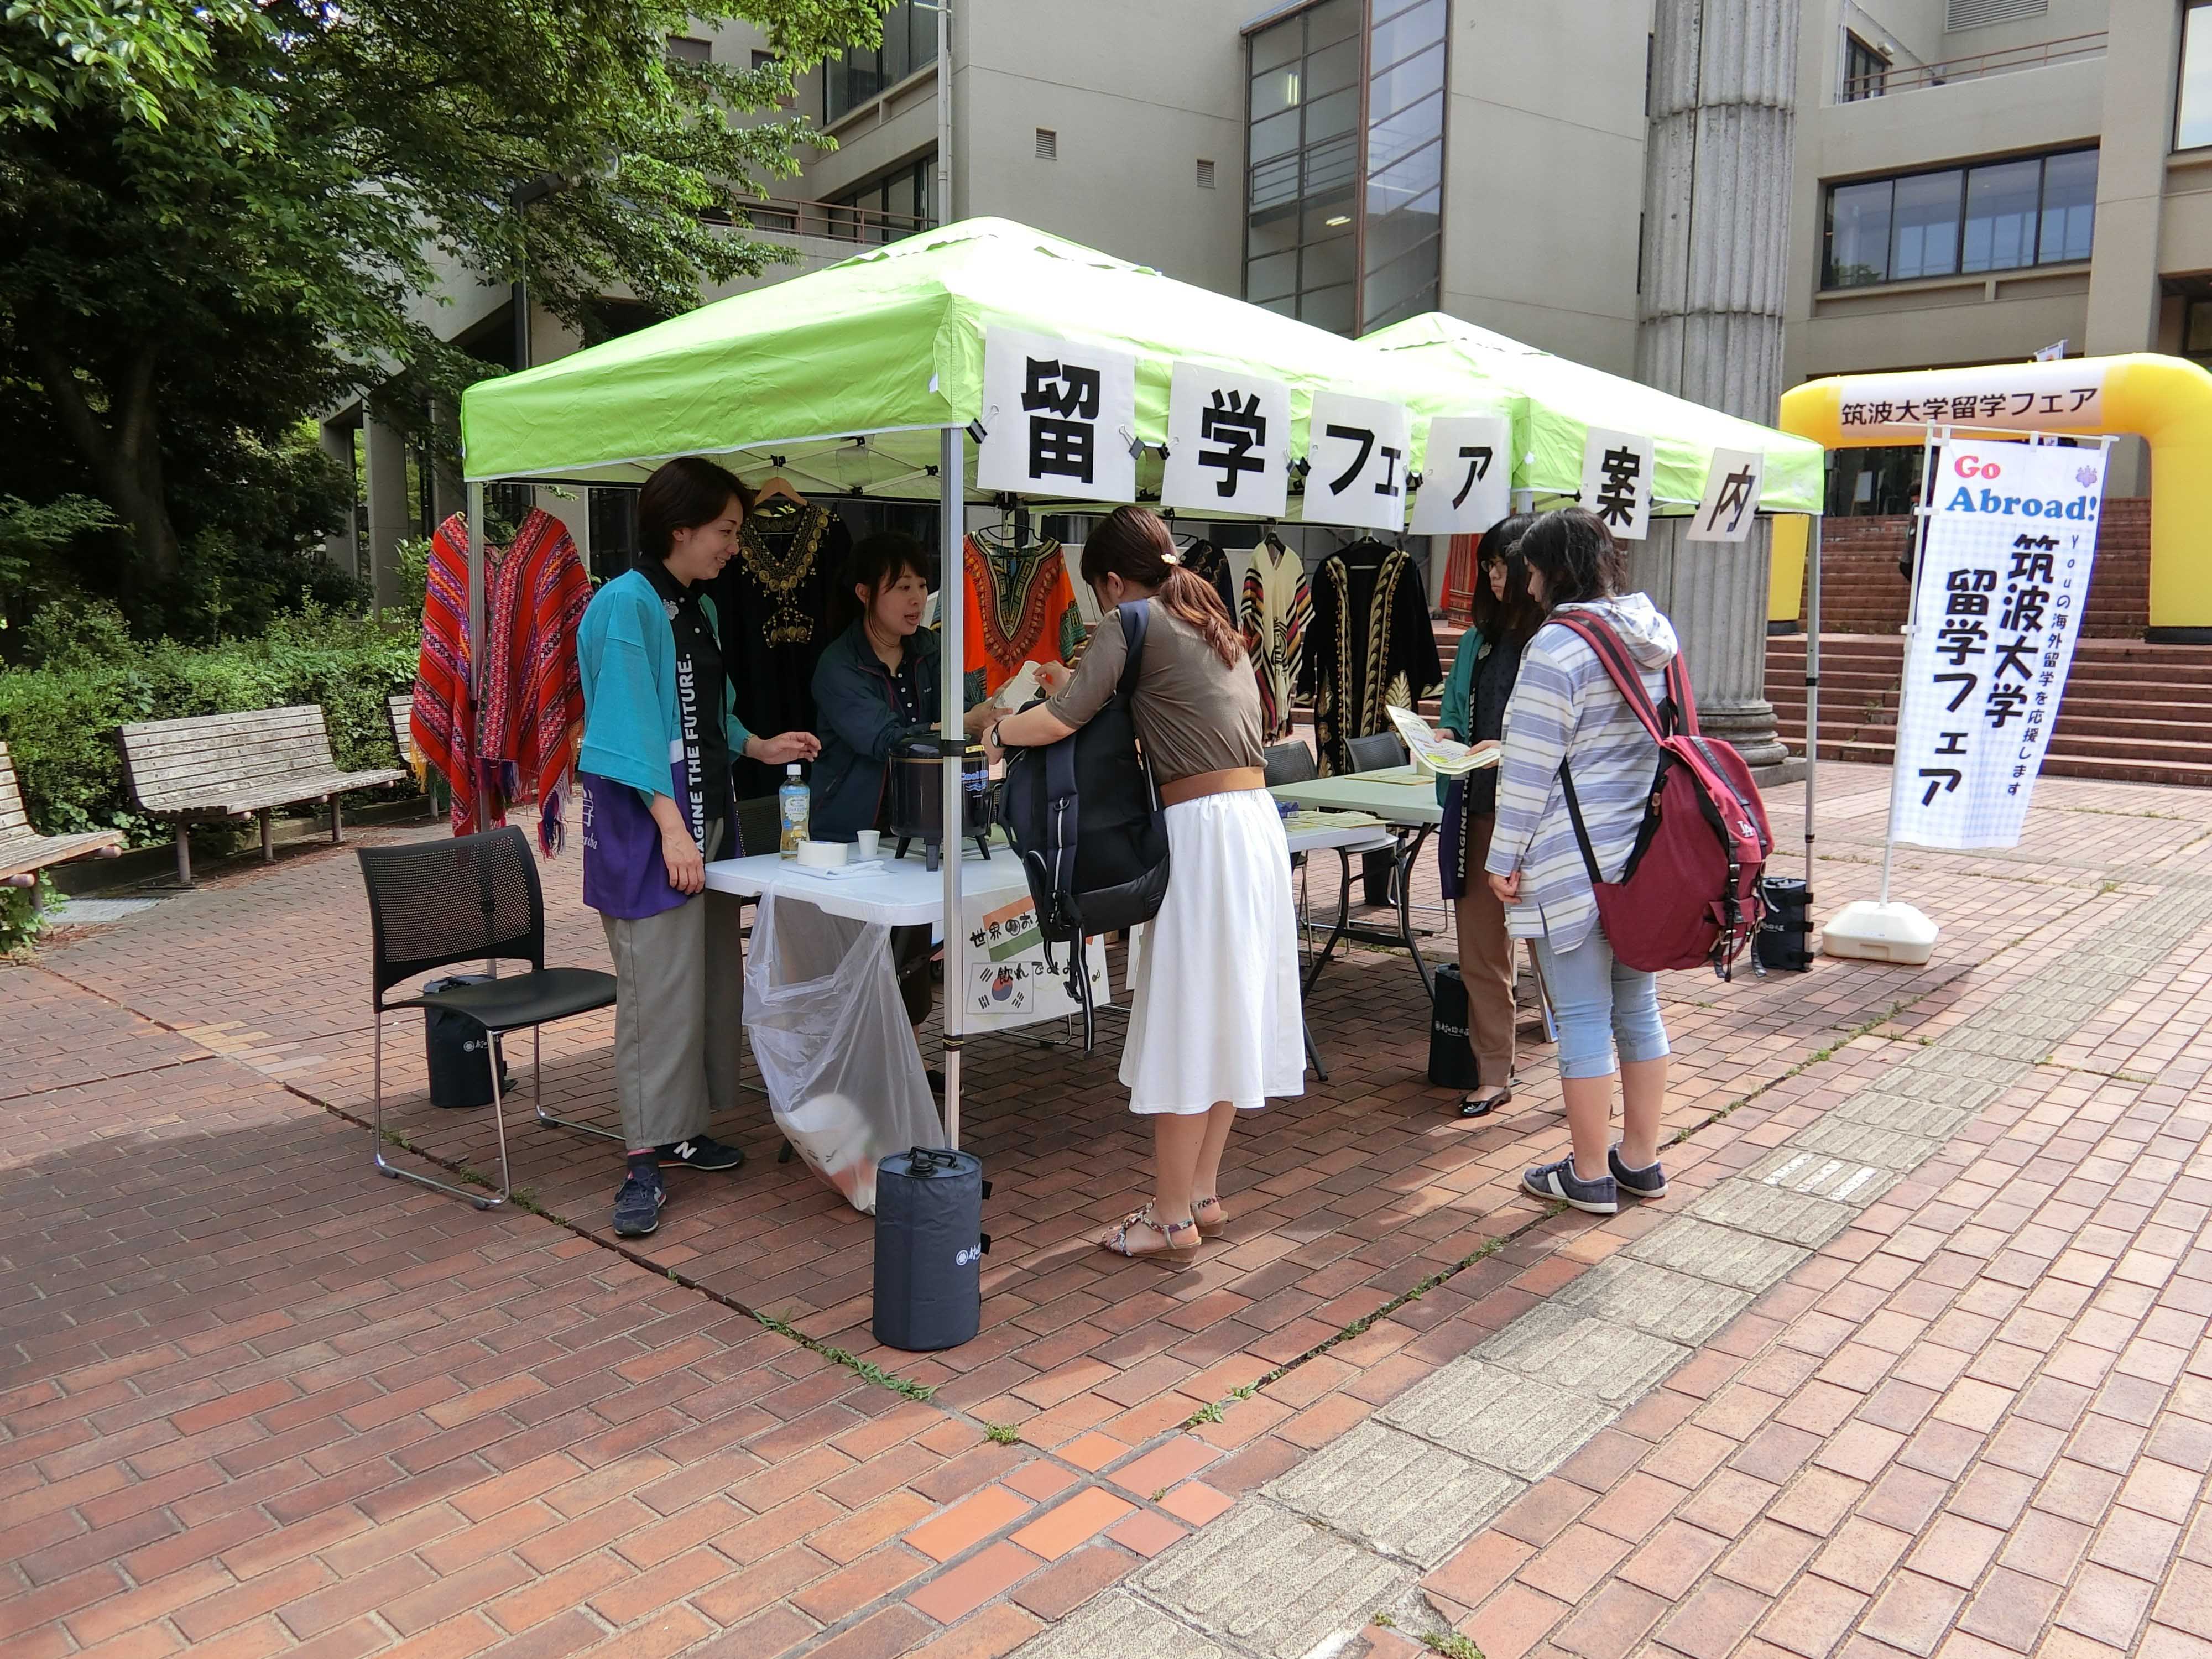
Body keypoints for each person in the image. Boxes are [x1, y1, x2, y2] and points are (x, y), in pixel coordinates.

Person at [982, 505, 1300, 1262]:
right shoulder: (1209, 618)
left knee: (1188, 1017)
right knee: (1227, 1016)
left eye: (1097, 592)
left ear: (1113, 581)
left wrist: (997, 730)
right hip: (1253, 822)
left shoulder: (1131, 620)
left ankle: (1169, 1218)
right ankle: (1202, 1194)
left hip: (1201, 831)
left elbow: (1061, 720)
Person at [576, 456, 820, 1239]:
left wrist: (759, 747)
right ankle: (641, 1160)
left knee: (707, 983)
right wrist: (672, 826)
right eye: (726, 530)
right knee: (656, 996)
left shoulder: (697, 607)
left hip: (703, 823)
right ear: (680, 529)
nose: (734, 547)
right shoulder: (627, 603)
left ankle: (681, 1132)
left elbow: (712, 712)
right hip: (652, 834)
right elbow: (626, 729)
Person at [1484, 508, 1675, 1216]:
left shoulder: (1557, 648)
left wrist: (1502, 858)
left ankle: (1589, 1173)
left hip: (1571, 859)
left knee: (1585, 1016)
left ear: (1552, 571)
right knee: (1639, 1008)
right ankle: (1640, 1160)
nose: (1527, 584)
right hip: (1643, 857)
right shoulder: (1653, 635)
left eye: (1531, 570)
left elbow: (1528, 768)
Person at [810, 533, 992, 1045]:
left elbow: (958, 710)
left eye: (922, 586)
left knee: (909, 953)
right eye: (902, 587)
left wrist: (978, 717)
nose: (917, 600)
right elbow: (885, 739)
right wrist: (958, 725)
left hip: (919, 826)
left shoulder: (927, 649)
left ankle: (904, 1064)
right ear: (865, 593)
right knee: (860, 957)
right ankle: (863, 1068)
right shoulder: (838, 666)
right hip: (852, 831)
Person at [1433, 512, 1540, 1118]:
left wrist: (1506, 748)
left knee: (1556, 950)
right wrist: (1445, 737)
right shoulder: (1478, 640)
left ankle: (1587, 1071)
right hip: (1478, 810)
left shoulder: (1551, 638)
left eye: (1506, 566)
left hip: (1540, 819)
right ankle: (1494, 1072)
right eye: (1489, 568)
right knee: (1481, 950)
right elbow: (1454, 711)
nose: (1496, 578)